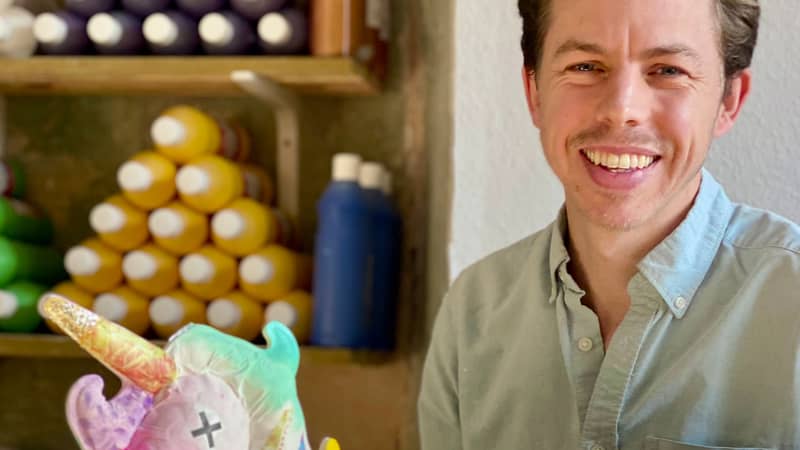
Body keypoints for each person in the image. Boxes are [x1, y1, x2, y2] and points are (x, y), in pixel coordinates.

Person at [418, 0, 800, 449]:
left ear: (728, 101)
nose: (621, 110)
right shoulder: (471, 314)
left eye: (668, 70)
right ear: (534, 92)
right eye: (585, 66)